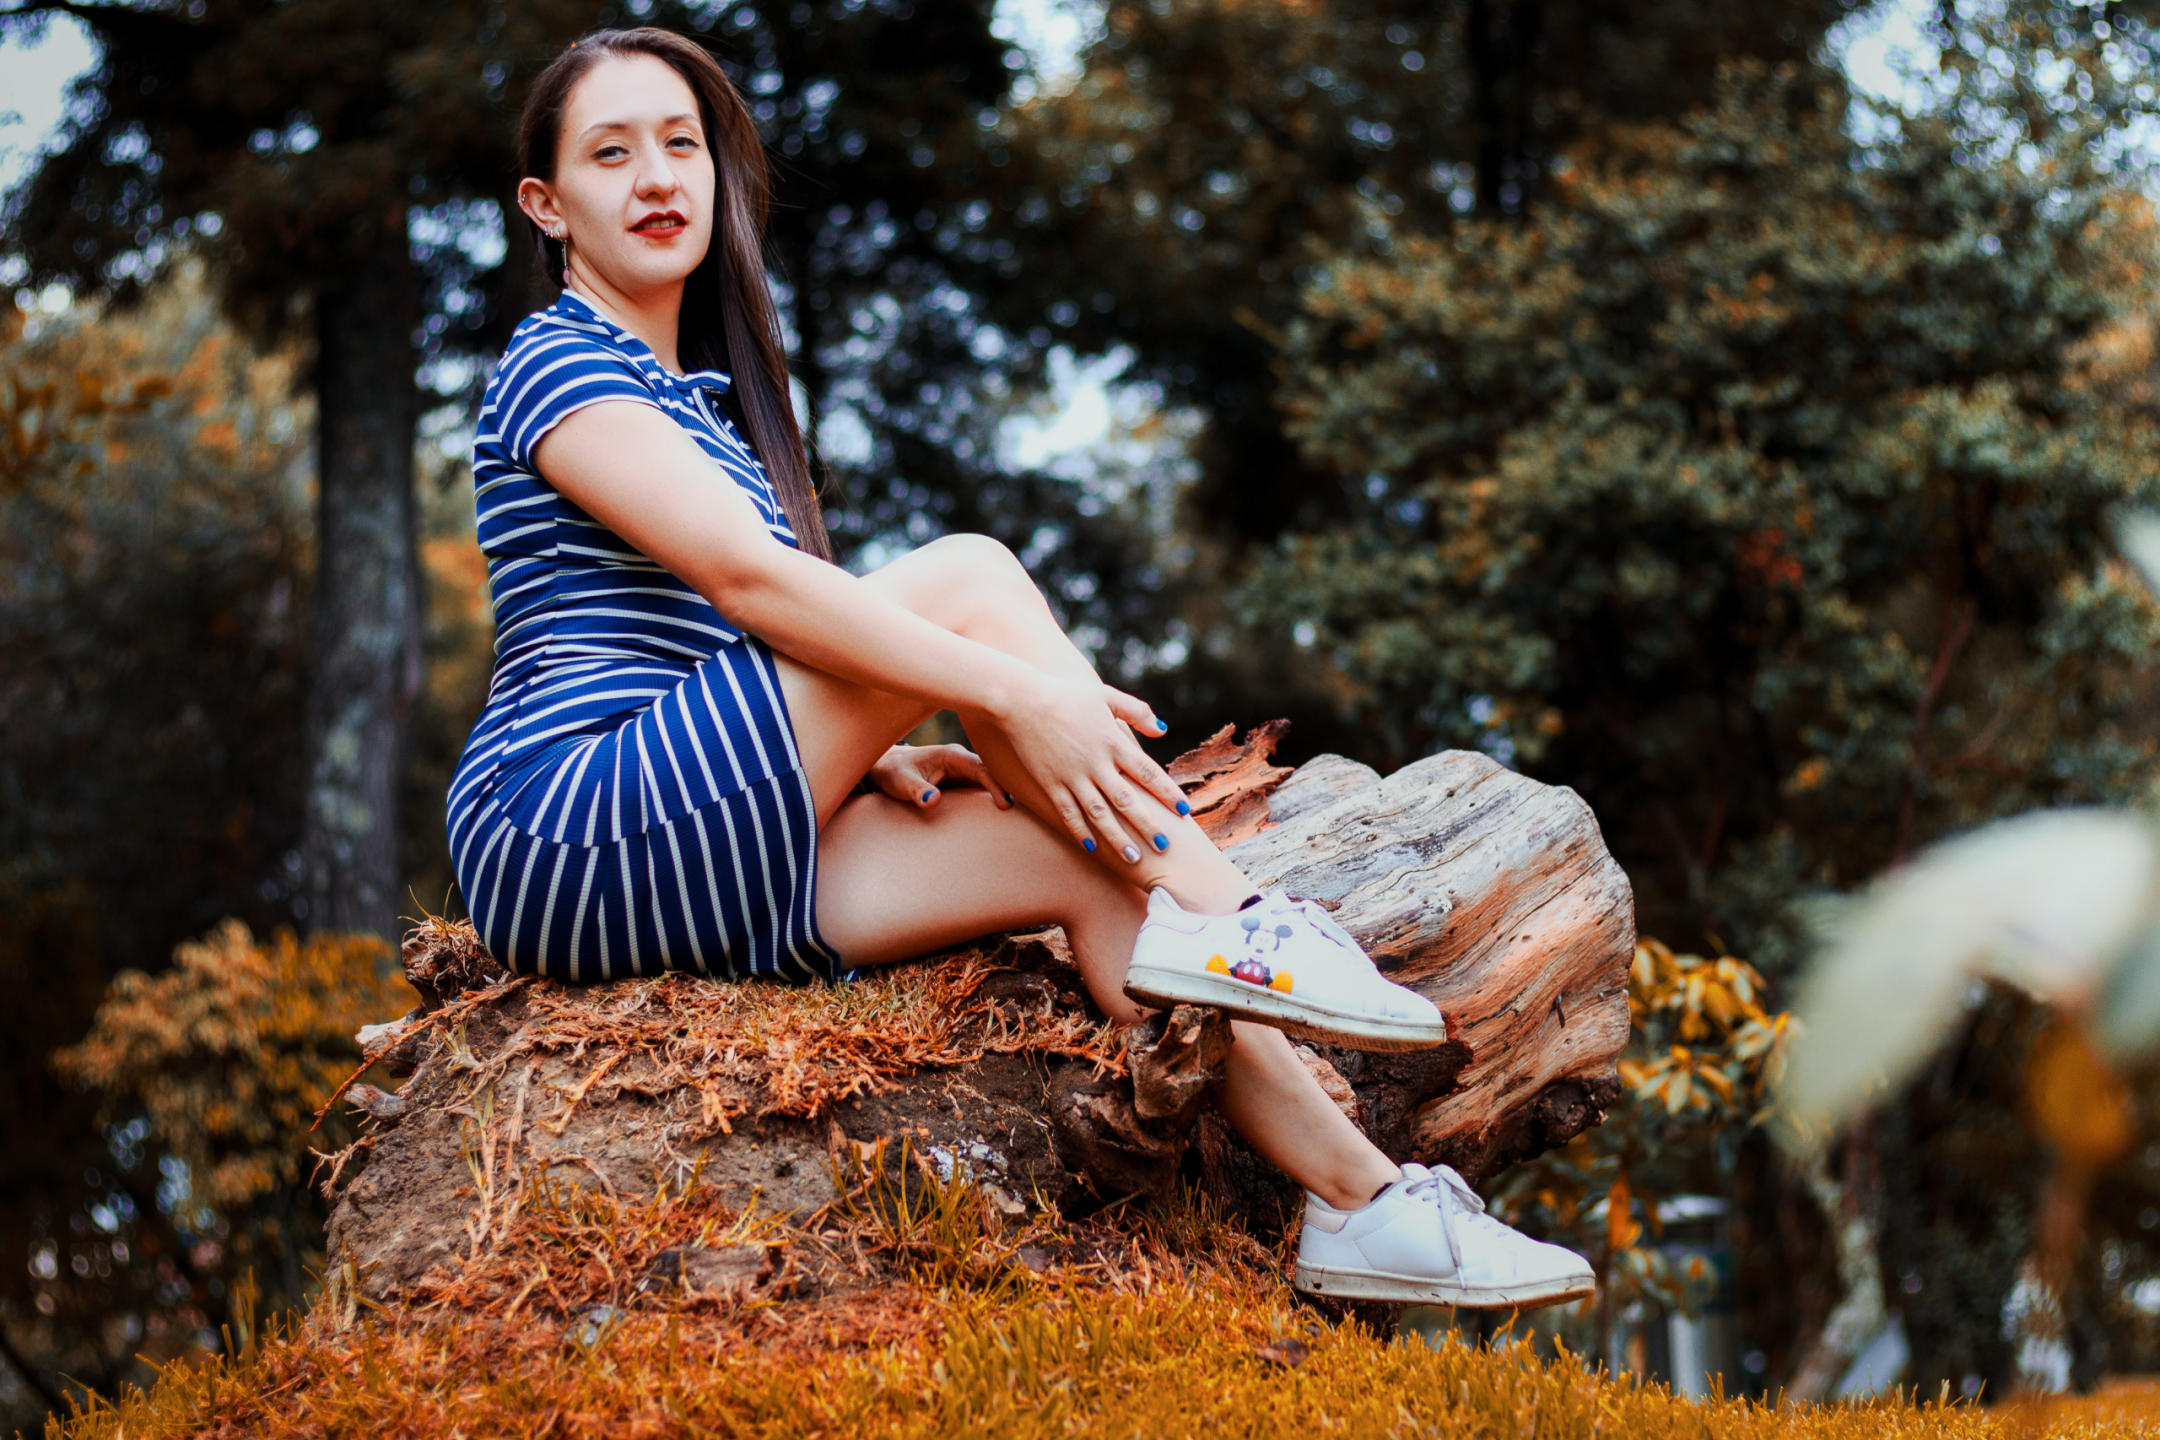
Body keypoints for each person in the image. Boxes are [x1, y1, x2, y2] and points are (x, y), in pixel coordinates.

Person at [444, 25, 1593, 1310]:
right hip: (569, 825)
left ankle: (1367, 1208)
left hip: (695, 823)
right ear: (547, 204)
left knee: (1084, 858)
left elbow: (719, 649)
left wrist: (869, 751)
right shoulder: (557, 360)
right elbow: (754, 590)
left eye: (680, 144)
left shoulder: (700, 407)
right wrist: (1009, 688)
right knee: (972, 577)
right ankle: (1237, 916)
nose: (658, 177)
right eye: (611, 155)